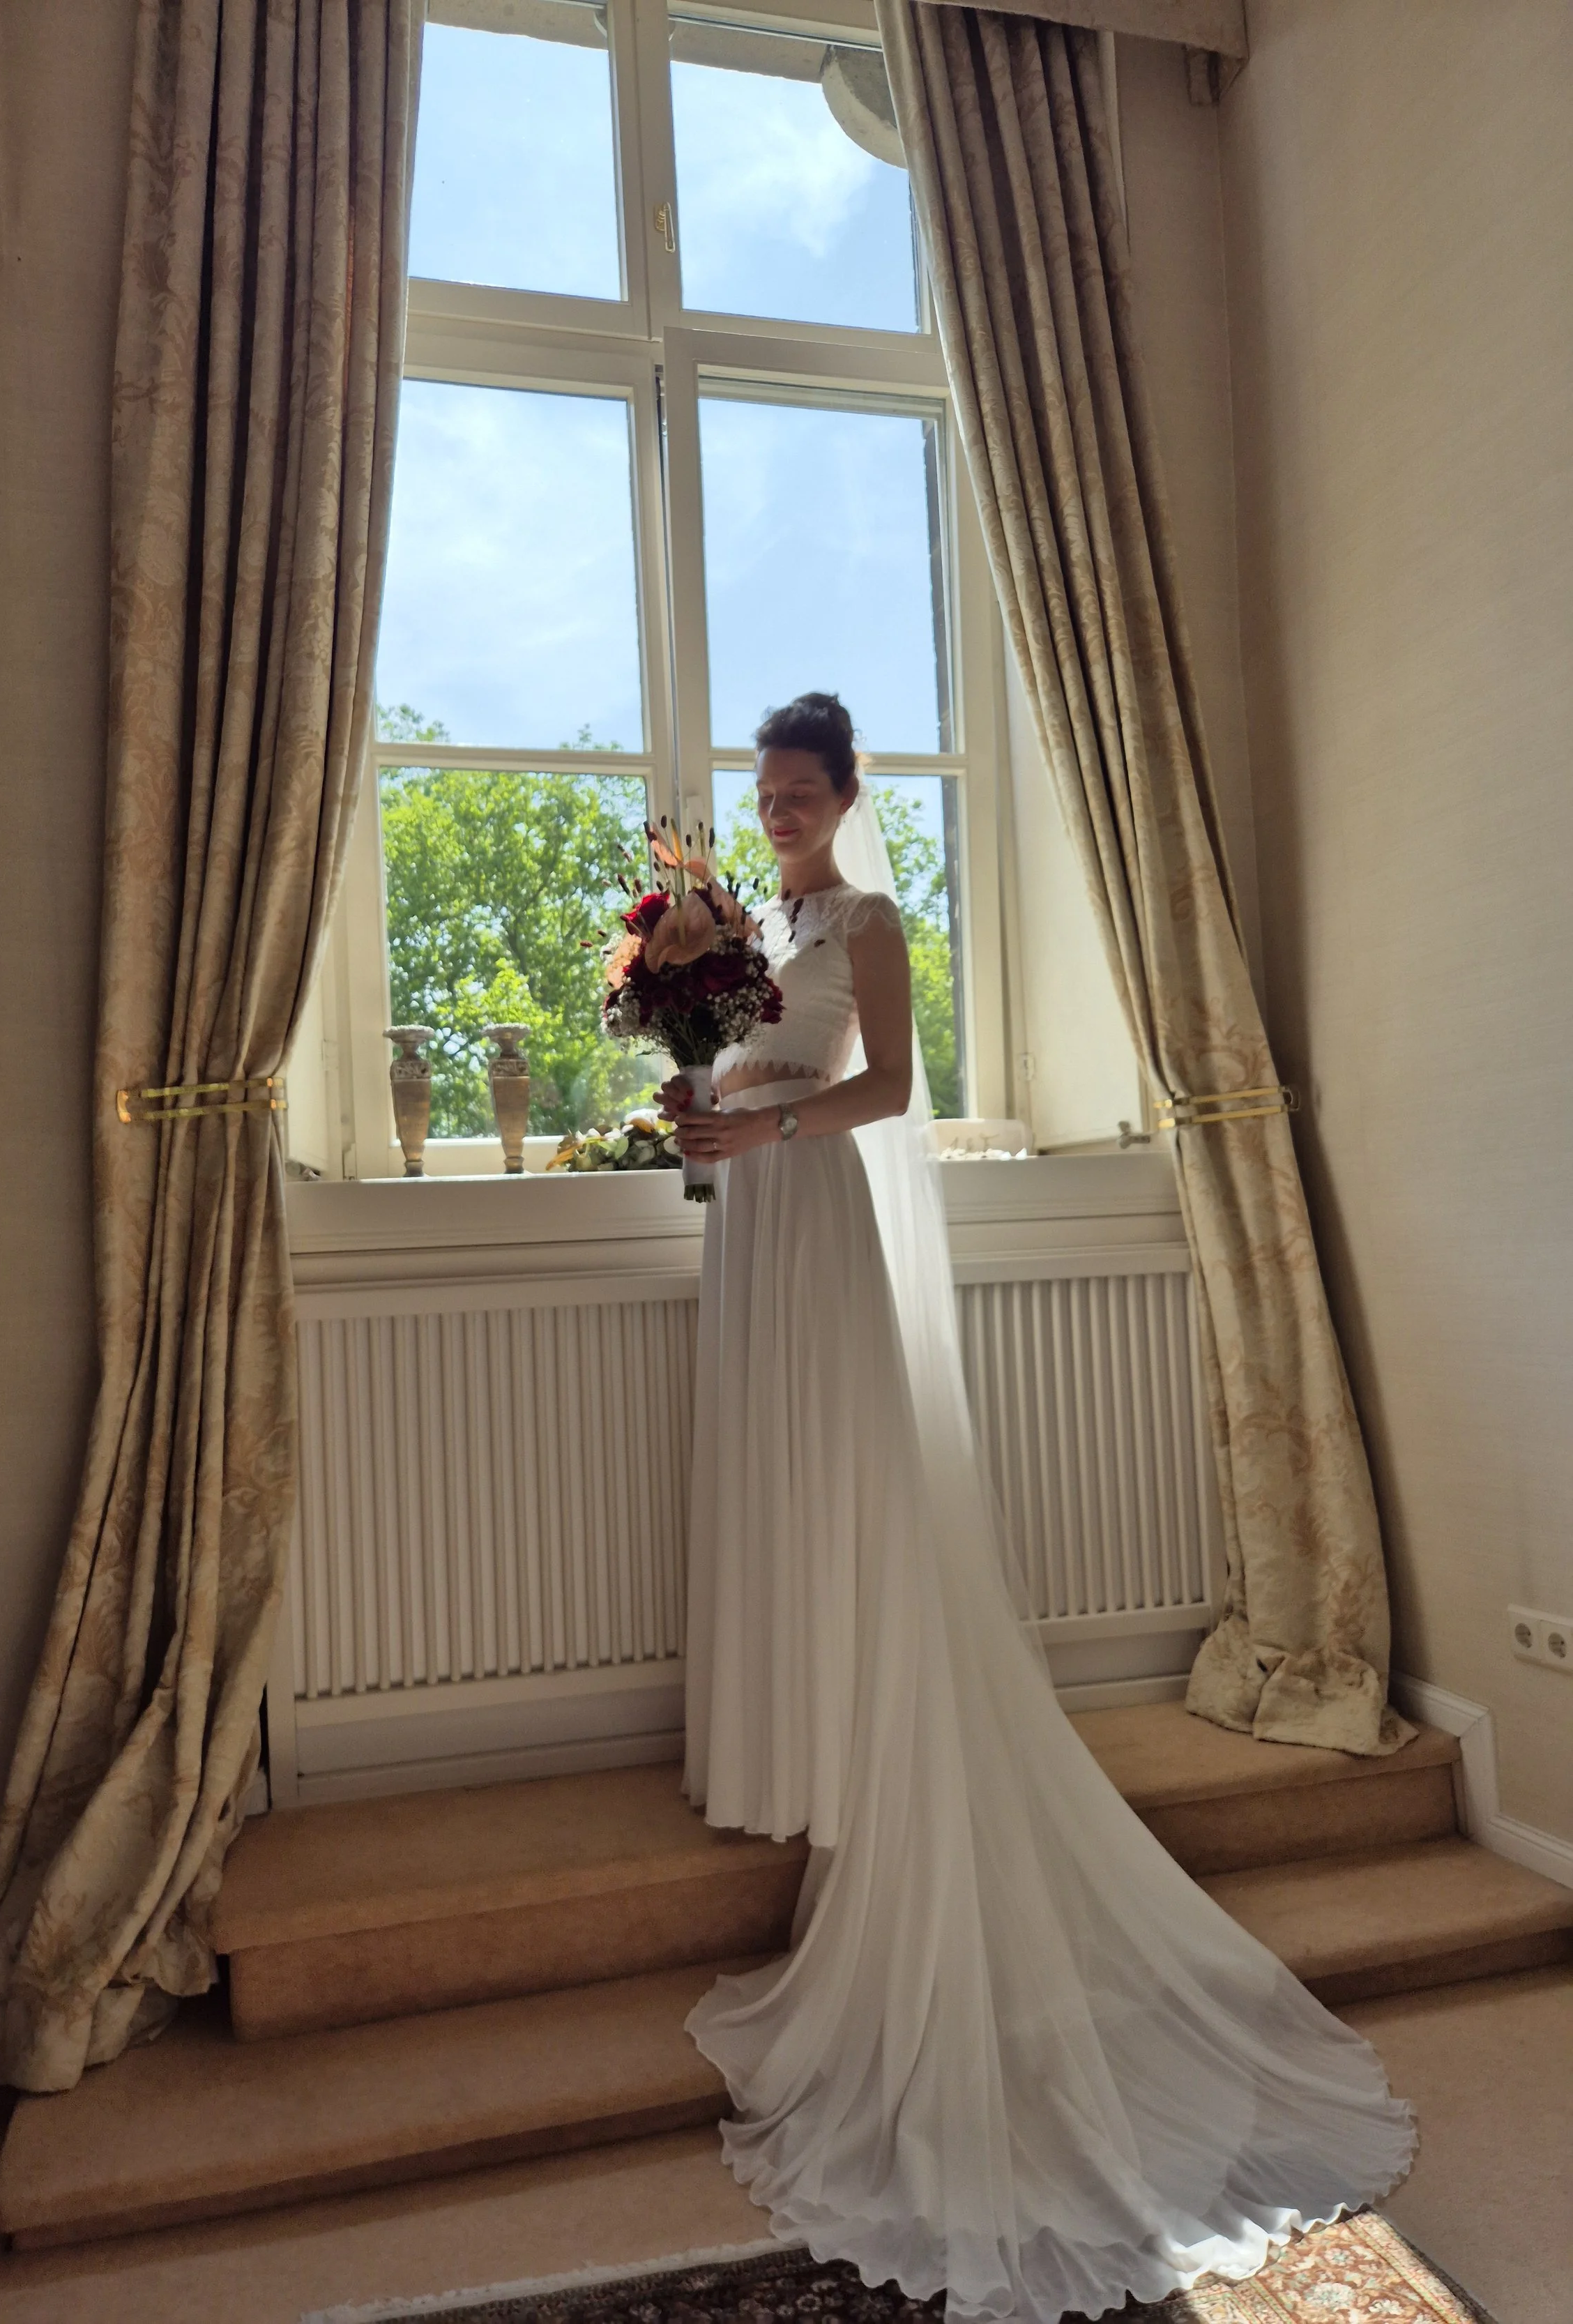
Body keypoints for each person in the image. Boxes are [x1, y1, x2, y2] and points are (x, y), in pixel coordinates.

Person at [660, 692, 1415, 2324]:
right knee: (774, 1487)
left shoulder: (863, 918)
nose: (780, 809)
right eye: (767, 791)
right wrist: (702, 1107)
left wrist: (767, 1117)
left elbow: (888, 1093)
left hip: (827, 1222)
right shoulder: (733, 923)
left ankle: (876, 1738)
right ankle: (798, 1735)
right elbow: (749, 1068)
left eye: (803, 791)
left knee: (850, 1477)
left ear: (848, 795)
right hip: (754, 1234)